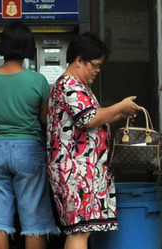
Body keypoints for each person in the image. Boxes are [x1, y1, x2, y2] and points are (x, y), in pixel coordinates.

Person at [0, 21, 60, 249]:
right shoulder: (38, 80)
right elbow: (44, 120)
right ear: (29, 48)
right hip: (29, 150)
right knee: (34, 219)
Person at [47, 32, 141, 249]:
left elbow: (92, 118)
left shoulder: (77, 86)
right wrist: (120, 106)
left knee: (83, 230)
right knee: (79, 231)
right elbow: (88, 118)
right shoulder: (68, 84)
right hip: (75, 170)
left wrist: (119, 115)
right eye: (95, 65)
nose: (97, 71)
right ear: (79, 60)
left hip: (83, 170)